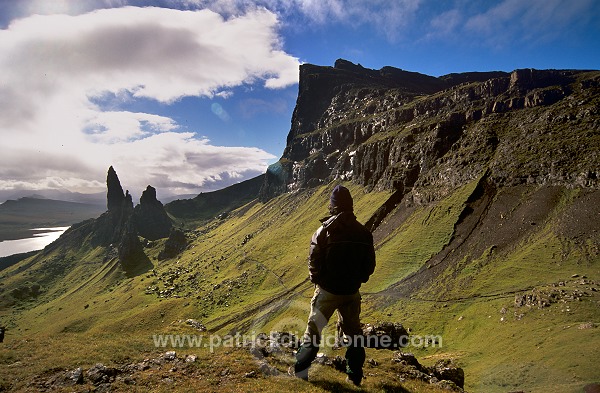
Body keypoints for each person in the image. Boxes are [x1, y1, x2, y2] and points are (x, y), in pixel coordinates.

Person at [293, 185, 376, 386]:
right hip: (351, 292)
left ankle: (301, 372)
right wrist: (358, 280)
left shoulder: (323, 232)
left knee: (313, 332)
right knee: (354, 334)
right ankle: (354, 376)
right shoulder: (364, 233)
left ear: (333, 206)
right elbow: (370, 265)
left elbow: (313, 260)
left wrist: (318, 281)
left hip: (327, 291)